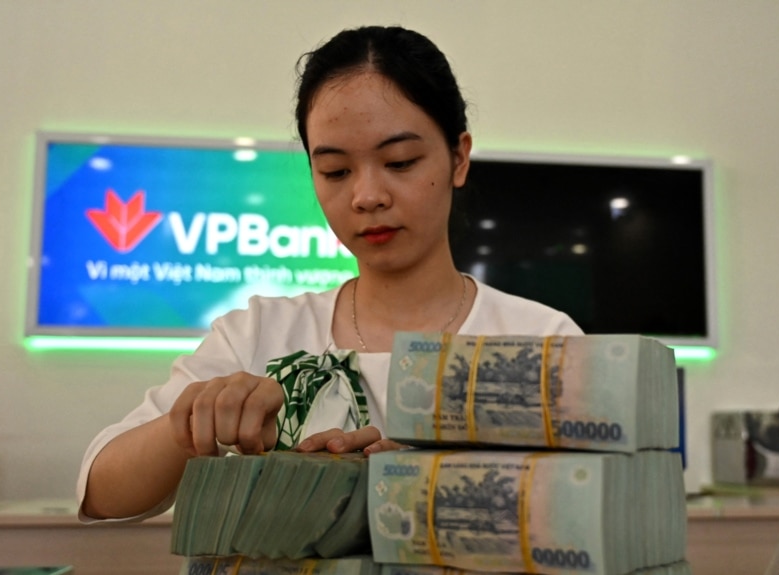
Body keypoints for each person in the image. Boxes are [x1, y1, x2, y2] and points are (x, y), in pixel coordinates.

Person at [76, 25, 583, 523]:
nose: (367, 196)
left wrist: (445, 480)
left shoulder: (542, 341)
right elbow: (100, 492)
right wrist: (193, 422)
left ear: (459, 157)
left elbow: (586, 513)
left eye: (400, 162)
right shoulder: (258, 333)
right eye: (336, 171)